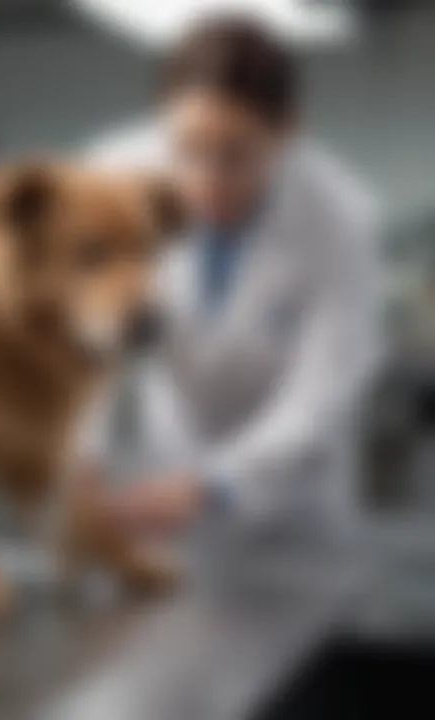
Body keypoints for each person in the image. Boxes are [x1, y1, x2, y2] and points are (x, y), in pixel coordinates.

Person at [81, 17, 383, 540]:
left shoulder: (340, 217)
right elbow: (82, 340)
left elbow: (327, 383)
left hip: (293, 493)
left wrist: (219, 482)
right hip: (168, 468)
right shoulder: (113, 181)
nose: (206, 180)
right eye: (188, 149)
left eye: (235, 155)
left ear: (287, 131)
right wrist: (80, 454)